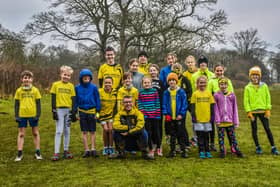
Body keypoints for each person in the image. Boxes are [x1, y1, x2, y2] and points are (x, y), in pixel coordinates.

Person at [244, 66, 279, 155]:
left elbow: (268, 98)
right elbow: (246, 101)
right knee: (254, 130)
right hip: (253, 112)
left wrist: (268, 109)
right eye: (253, 75)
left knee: (267, 129)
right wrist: (249, 112)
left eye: (256, 75)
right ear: (250, 76)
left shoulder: (264, 86)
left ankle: (273, 147)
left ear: (259, 76)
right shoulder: (247, 87)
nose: (255, 77)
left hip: (263, 112)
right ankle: (258, 147)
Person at [14, 70, 42, 161]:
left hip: (33, 115)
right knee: (21, 134)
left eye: (29, 78)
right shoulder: (18, 91)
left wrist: (38, 114)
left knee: (35, 133)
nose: (27, 79)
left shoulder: (35, 90)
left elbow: (38, 103)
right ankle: (19, 153)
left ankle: (37, 152)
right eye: (25, 78)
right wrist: (16, 116)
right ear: (22, 79)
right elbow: (16, 104)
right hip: (22, 115)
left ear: (32, 79)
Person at [50, 65, 76, 161]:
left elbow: (73, 99)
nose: (66, 77)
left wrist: (73, 111)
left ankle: (66, 150)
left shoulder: (71, 86)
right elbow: (53, 98)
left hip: (68, 110)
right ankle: (56, 152)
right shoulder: (55, 85)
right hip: (59, 110)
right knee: (59, 131)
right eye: (65, 74)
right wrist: (53, 111)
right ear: (61, 74)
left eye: (68, 75)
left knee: (67, 131)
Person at [191, 55, 216, 151]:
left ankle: (211, 143)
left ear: (207, 64)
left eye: (204, 63)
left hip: (209, 101)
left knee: (210, 126)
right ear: (199, 65)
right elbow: (194, 90)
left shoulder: (212, 75)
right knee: (199, 127)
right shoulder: (194, 76)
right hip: (198, 101)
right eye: (201, 63)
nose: (203, 65)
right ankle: (200, 144)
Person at [214, 77, 243, 158]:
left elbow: (235, 109)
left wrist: (236, 121)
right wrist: (217, 120)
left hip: (230, 121)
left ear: (227, 85)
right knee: (221, 138)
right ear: (219, 85)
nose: (223, 86)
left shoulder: (232, 95)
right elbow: (215, 109)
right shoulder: (216, 95)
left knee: (233, 137)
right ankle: (222, 151)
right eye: (221, 84)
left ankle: (237, 150)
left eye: (225, 84)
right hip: (221, 122)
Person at [75, 69, 101, 158]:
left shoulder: (94, 87)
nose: (86, 78)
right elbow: (75, 101)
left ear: (90, 78)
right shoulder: (77, 88)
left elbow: (97, 99)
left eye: (88, 77)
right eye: (84, 77)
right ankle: (86, 149)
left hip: (92, 111)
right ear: (81, 78)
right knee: (84, 131)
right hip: (82, 112)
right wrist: (76, 112)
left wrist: (98, 111)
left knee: (93, 131)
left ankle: (93, 148)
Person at [162, 73, 188, 158]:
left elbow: (184, 104)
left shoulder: (181, 91)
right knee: (172, 135)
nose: (172, 82)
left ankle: (183, 150)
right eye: (170, 80)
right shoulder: (166, 92)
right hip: (170, 117)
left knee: (181, 134)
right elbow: (164, 104)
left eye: (173, 80)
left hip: (179, 117)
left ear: (176, 81)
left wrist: (181, 114)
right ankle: (172, 150)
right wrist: (166, 114)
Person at [191, 75, 215, 159]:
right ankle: (201, 151)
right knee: (200, 136)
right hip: (198, 119)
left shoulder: (209, 93)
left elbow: (212, 105)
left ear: (206, 83)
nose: (202, 84)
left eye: (204, 82)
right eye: (200, 83)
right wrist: (193, 117)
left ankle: (207, 151)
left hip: (207, 119)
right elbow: (193, 106)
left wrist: (212, 116)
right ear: (197, 83)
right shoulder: (195, 94)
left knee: (206, 136)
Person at [138, 77, 162, 157]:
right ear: (142, 84)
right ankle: (151, 148)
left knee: (157, 132)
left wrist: (157, 114)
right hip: (146, 116)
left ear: (151, 83)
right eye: (145, 83)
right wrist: (144, 114)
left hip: (155, 116)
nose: (146, 84)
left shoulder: (154, 91)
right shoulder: (141, 92)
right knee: (149, 133)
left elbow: (157, 103)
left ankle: (158, 147)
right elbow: (140, 105)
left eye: (148, 82)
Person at [171, 63, 192, 148]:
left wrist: (185, 101)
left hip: (182, 106)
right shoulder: (171, 80)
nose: (177, 71)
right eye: (175, 69)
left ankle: (185, 143)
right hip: (173, 106)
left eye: (178, 69)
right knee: (174, 126)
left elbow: (190, 91)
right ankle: (176, 143)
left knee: (182, 125)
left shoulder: (185, 79)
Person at [99, 76, 118, 155]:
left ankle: (111, 147)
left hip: (111, 115)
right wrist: (97, 115)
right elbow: (96, 103)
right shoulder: (99, 91)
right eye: (106, 82)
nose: (107, 84)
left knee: (111, 130)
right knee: (106, 129)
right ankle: (105, 147)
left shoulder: (115, 92)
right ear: (103, 83)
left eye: (109, 83)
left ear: (112, 84)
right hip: (102, 115)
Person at [183, 55, 198, 146]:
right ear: (186, 63)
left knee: (196, 120)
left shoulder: (198, 73)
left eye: (191, 62)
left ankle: (196, 137)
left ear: (195, 63)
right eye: (188, 62)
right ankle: (186, 138)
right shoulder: (184, 75)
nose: (190, 64)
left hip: (198, 100)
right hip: (188, 100)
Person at [149, 64, 164, 150]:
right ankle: (152, 143)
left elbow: (163, 95)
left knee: (158, 126)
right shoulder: (147, 82)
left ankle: (159, 144)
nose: (152, 72)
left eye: (154, 70)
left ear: (157, 71)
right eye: (151, 70)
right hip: (150, 107)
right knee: (151, 126)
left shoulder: (161, 82)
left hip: (159, 108)